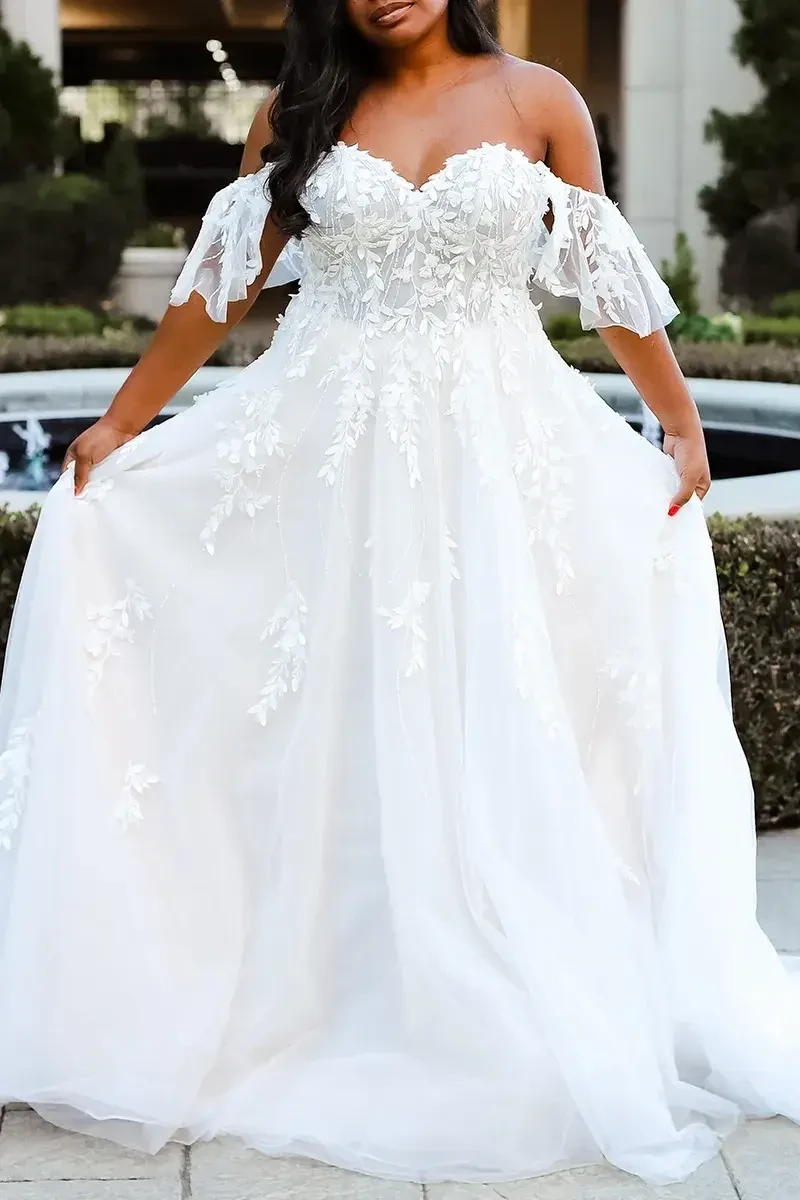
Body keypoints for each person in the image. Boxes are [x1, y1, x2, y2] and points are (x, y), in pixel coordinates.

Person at [0, 0, 797, 1187]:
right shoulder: (297, 112)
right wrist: (122, 420)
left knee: (498, 699)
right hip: (325, 436)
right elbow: (221, 290)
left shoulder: (540, 101)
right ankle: (325, 980)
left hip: (496, 448)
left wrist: (680, 424)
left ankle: (495, 980)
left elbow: (607, 285)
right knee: (325, 708)